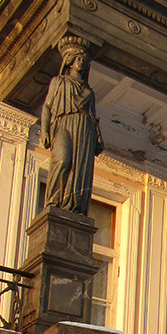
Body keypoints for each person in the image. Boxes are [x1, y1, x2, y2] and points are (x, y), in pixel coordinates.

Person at [41, 36, 103, 215]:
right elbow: (47, 106)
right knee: (62, 160)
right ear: (70, 60)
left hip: (85, 129)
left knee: (80, 169)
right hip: (65, 124)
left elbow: (93, 117)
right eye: (78, 59)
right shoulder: (59, 82)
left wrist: (98, 138)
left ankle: (75, 206)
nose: (81, 63)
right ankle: (53, 203)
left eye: (84, 60)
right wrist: (44, 130)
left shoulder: (89, 91)